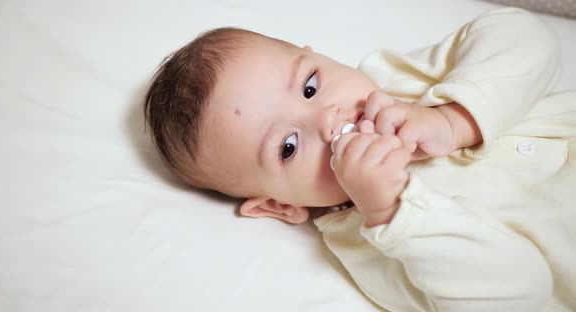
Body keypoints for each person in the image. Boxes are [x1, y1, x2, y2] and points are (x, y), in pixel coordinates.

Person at [144, 7, 576, 311]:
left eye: (311, 86)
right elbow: (522, 293)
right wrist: (394, 210)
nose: (327, 121)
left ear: (318, 55)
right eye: (288, 147)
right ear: (280, 205)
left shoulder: (396, 81)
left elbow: (526, 36)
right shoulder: (370, 245)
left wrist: (455, 118)